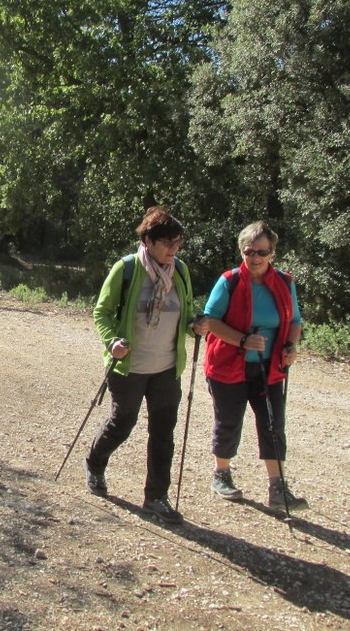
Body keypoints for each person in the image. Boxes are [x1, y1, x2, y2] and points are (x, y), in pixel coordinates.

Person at [86, 206, 208, 525]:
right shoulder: (126, 269)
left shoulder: (179, 271)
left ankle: (156, 498)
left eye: (178, 242)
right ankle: (95, 462)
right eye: (167, 242)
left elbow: (184, 315)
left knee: (163, 432)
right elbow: (102, 312)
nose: (174, 249)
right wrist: (112, 342)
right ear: (149, 241)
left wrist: (194, 326)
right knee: (122, 423)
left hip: (167, 368)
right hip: (130, 366)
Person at [202, 221, 306, 512]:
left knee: (273, 424)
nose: (256, 257)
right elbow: (210, 321)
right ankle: (221, 474)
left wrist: (291, 347)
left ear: (272, 252)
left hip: (269, 367)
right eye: (250, 251)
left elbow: (295, 321)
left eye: (263, 251)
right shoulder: (230, 281)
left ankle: (277, 487)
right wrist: (243, 340)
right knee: (229, 421)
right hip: (227, 365)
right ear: (241, 250)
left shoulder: (285, 282)